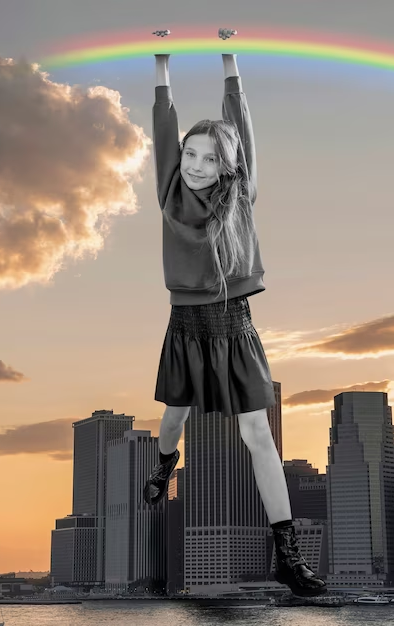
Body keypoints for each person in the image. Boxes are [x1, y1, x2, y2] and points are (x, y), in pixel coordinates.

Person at [143, 50, 327, 598]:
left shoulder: (241, 198)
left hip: (235, 325)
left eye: (208, 158)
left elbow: (242, 125)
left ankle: (287, 557)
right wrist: (161, 65)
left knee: (258, 435)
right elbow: (162, 124)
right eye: (189, 154)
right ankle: (163, 463)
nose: (196, 164)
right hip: (185, 328)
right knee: (173, 421)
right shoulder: (170, 192)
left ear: (227, 165)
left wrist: (230, 62)